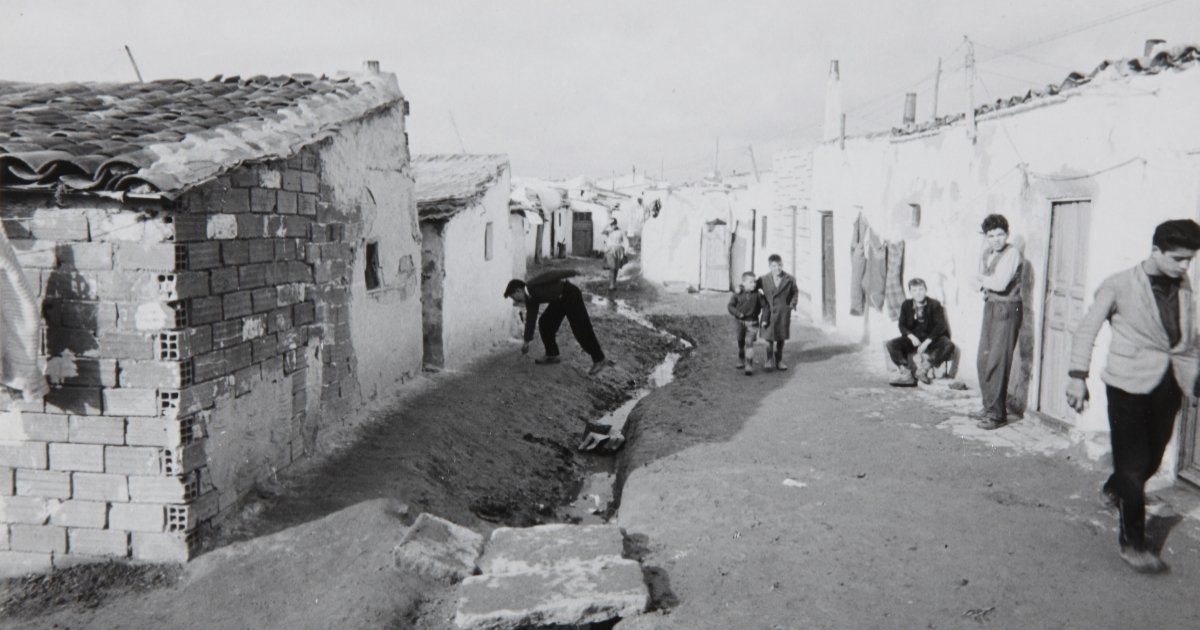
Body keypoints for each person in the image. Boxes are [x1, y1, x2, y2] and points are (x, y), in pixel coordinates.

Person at [1066, 219, 1200, 574]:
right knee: (1133, 463)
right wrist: (1077, 376)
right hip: (1126, 384)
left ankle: (1115, 490)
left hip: (1170, 384)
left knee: (1153, 458)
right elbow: (1087, 329)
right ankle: (1133, 544)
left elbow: (1186, 337)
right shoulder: (1118, 284)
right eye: (1178, 258)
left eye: (1191, 259)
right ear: (1155, 251)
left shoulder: (1183, 285)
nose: (1186, 266)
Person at [504, 269, 607, 376]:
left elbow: (552, 274)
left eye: (513, 297)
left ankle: (599, 359)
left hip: (570, 294)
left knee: (581, 328)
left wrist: (572, 272)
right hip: (559, 300)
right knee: (545, 322)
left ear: (518, 291)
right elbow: (531, 320)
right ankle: (552, 354)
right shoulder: (530, 300)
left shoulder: (532, 284)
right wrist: (526, 341)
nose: (514, 300)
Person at [972, 214, 1022, 430]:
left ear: (1007, 234)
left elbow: (1000, 284)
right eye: (991, 236)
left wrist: (982, 281)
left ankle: (997, 415)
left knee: (997, 361)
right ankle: (988, 406)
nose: (996, 239)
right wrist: (982, 282)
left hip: (1007, 308)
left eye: (1000, 234)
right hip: (991, 306)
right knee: (983, 360)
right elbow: (975, 279)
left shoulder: (1012, 254)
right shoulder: (988, 253)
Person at [886, 278, 955, 386]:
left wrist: (927, 342)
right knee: (891, 344)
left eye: (921, 289)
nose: (918, 293)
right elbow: (902, 325)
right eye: (914, 290)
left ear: (926, 290)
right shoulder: (906, 305)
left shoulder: (935, 304)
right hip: (915, 339)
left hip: (931, 339)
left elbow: (940, 326)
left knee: (948, 344)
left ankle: (924, 370)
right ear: (911, 292)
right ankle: (906, 373)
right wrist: (911, 337)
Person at [759, 254, 799, 371]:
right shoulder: (763, 279)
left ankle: (779, 360)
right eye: (774, 266)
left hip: (783, 314)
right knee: (769, 339)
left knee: (781, 338)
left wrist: (791, 305)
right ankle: (768, 359)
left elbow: (795, 292)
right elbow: (753, 288)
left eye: (780, 265)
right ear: (770, 266)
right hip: (769, 314)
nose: (777, 268)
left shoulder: (789, 279)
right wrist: (762, 302)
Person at [728, 271, 769, 376]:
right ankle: (741, 356)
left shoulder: (758, 295)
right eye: (751, 282)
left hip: (753, 322)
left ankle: (749, 364)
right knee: (740, 341)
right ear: (744, 283)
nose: (754, 284)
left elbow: (765, 307)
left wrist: (764, 319)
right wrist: (738, 313)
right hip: (739, 322)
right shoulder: (737, 294)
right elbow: (730, 306)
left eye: (754, 282)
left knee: (749, 343)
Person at [602, 218, 630, 291]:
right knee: (612, 267)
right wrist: (607, 225)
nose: (612, 226)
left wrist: (626, 251)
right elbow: (602, 232)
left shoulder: (621, 231)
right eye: (611, 224)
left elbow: (626, 241)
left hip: (619, 251)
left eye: (613, 224)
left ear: (616, 224)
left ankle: (613, 284)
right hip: (610, 250)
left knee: (616, 268)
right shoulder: (608, 231)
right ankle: (611, 285)